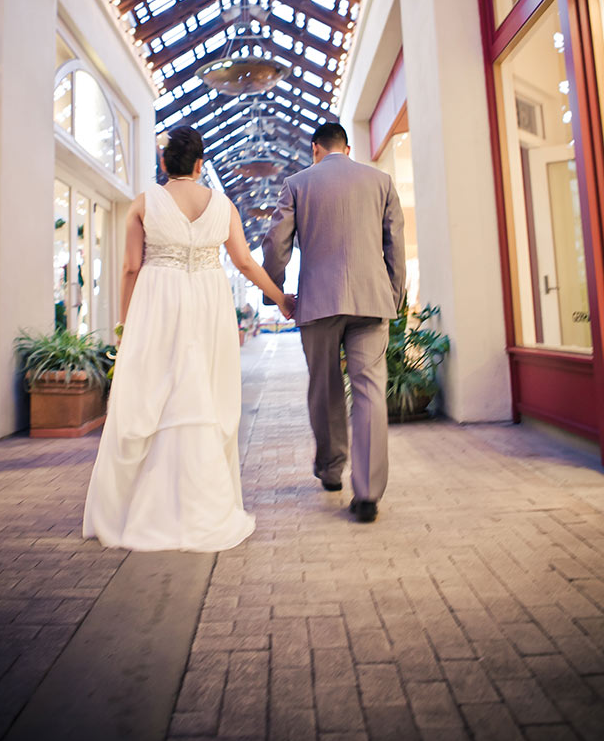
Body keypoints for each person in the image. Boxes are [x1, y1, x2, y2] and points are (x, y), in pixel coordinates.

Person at [83, 126, 293, 552]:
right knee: (202, 395)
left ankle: (144, 508)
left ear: (165, 163)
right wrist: (282, 301)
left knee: (153, 393)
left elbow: (129, 268)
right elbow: (247, 264)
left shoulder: (143, 204)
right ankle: (203, 506)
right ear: (200, 165)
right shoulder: (224, 205)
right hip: (208, 308)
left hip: (158, 306)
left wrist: (125, 326)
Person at [261, 121, 405, 523]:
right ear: (346, 147)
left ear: (316, 149)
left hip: (319, 302)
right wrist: (392, 296)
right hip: (371, 301)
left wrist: (276, 292)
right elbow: (395, 242)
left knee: (324, 389)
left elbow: (276, 243)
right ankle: (368, 495)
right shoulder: (380, 181)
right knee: (369, 391)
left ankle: (330, 470)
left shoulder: (297, 184)